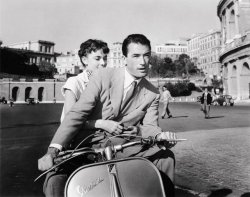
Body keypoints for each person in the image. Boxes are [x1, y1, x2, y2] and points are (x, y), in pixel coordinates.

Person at [38, 34, 177, 197]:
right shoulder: (103, 76)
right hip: (87, 145)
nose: (143, 62)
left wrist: (161, 135)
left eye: (146, 55)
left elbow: (150, 127)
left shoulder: (153, 92)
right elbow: (77, 113)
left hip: (124, 147)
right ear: (125, 58)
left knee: (166, 158)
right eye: (136, 56)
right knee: (55, 178)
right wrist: (53, 150)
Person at [60, 39, 110, 122]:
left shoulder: (107, 83)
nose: (103, 63)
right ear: (84, 60)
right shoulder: (74, 82)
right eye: (97, 59)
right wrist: (101, 124)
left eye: (105, 58)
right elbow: (68, 120)